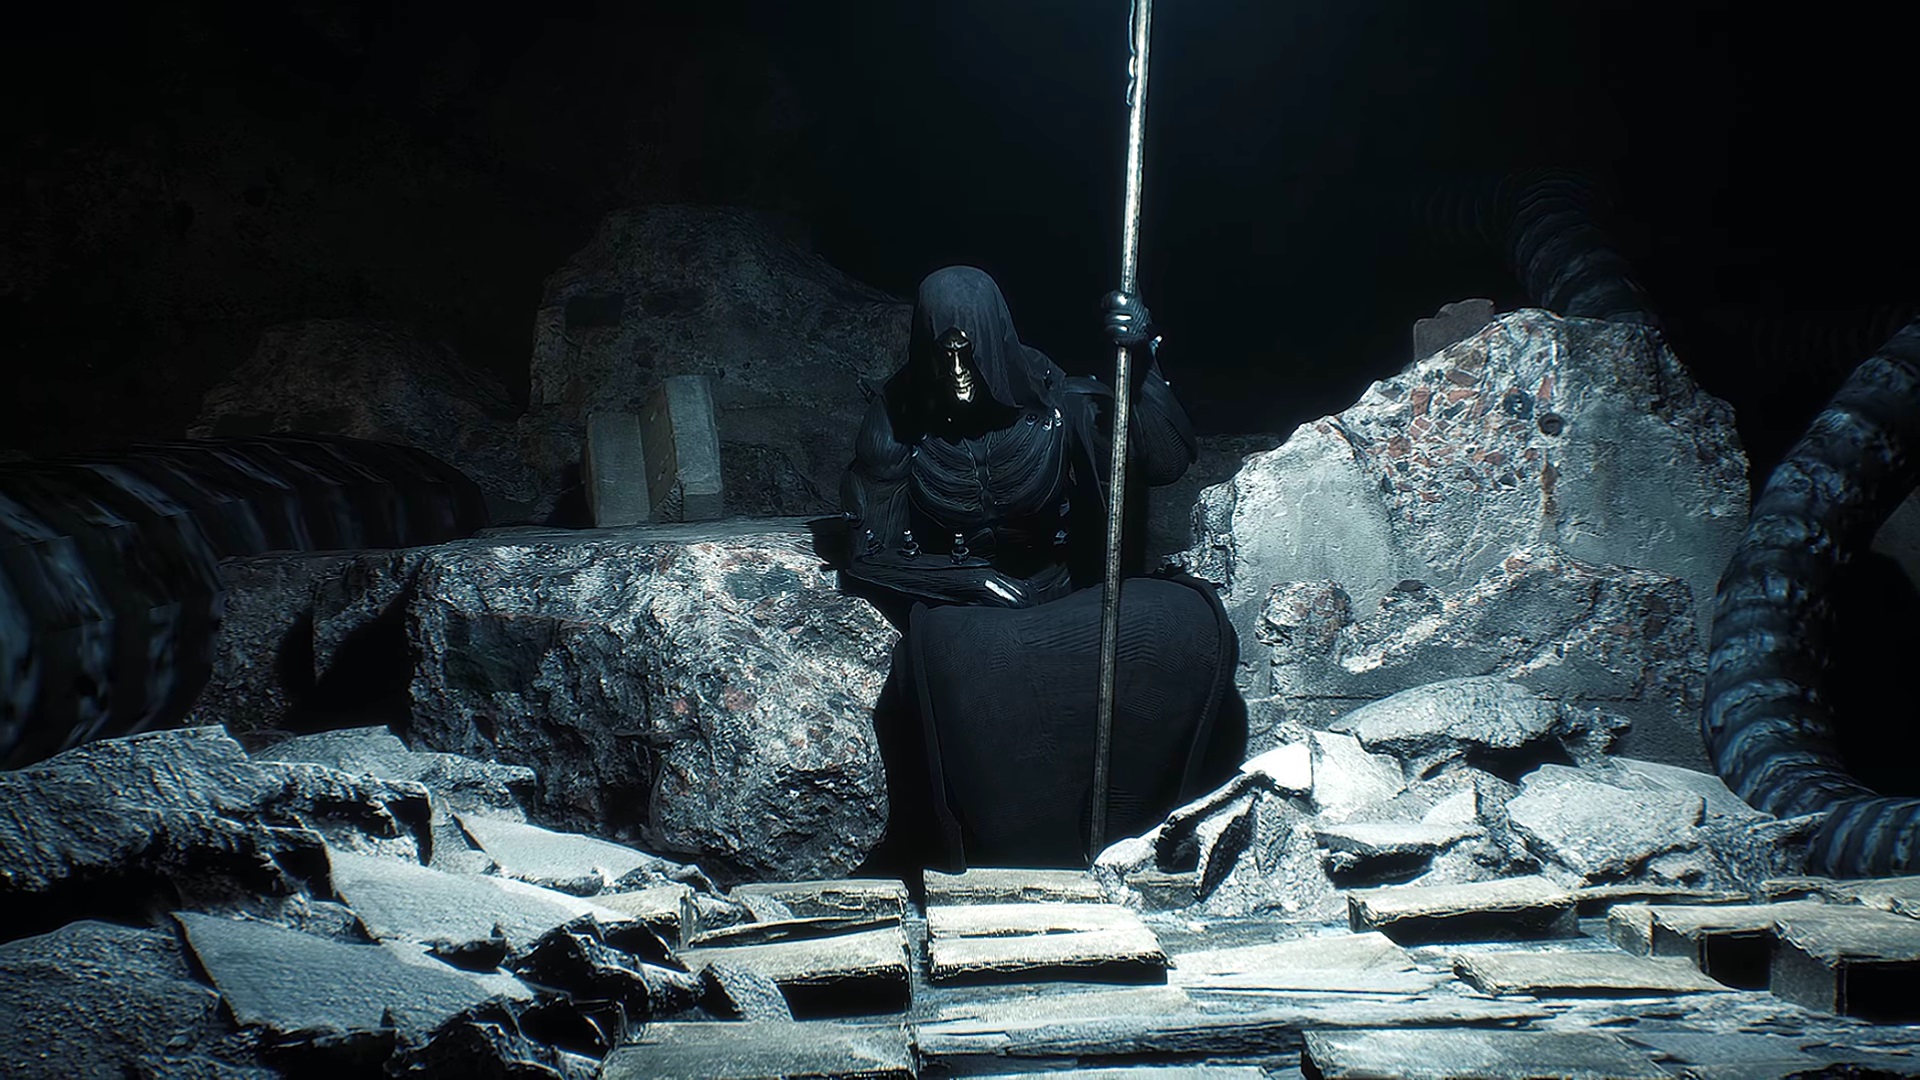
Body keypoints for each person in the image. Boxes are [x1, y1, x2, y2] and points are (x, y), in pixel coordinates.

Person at [815, 265, 1245, 873]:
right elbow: (866, 552)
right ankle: (1016, 851)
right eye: (944, 355)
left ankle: (1137, 829)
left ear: (995, 344)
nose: (958, 374)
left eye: (969, 355)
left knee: (1177, 619)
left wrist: (1141, 364)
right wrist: (969, 581)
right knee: (959, 662)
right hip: (967, 614)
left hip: (1069, 594)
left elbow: (1166, 459)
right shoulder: (898, 421)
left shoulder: (1058, 403)